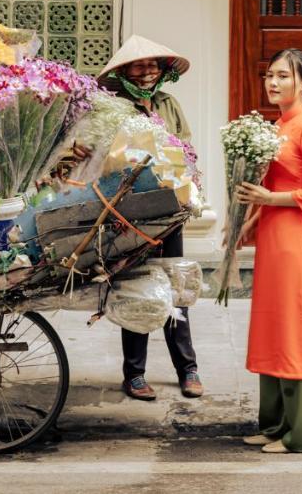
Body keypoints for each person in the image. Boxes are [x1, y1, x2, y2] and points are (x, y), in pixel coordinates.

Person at [234, 48, 302, 454]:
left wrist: (269, 201)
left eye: (283, 76)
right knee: (273, 323)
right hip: (274, 239)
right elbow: (273, 190)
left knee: (297, 327)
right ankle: (275, 423)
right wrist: (249, 221)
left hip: (297, 241)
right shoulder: (278, 126)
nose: (273, 83)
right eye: (269, 75)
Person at [98, 34, 203, 401]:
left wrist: (188, 184)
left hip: (171, 209)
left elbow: (187, 150)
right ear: (125, 70)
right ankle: (134, 374)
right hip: (131, 215)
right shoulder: (114, 108)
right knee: (138, 287)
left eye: (153, 66)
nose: (147, 72)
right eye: (140, 66)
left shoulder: (168, 104)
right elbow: (106, 160)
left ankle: (187, 368)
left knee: (176, 287)